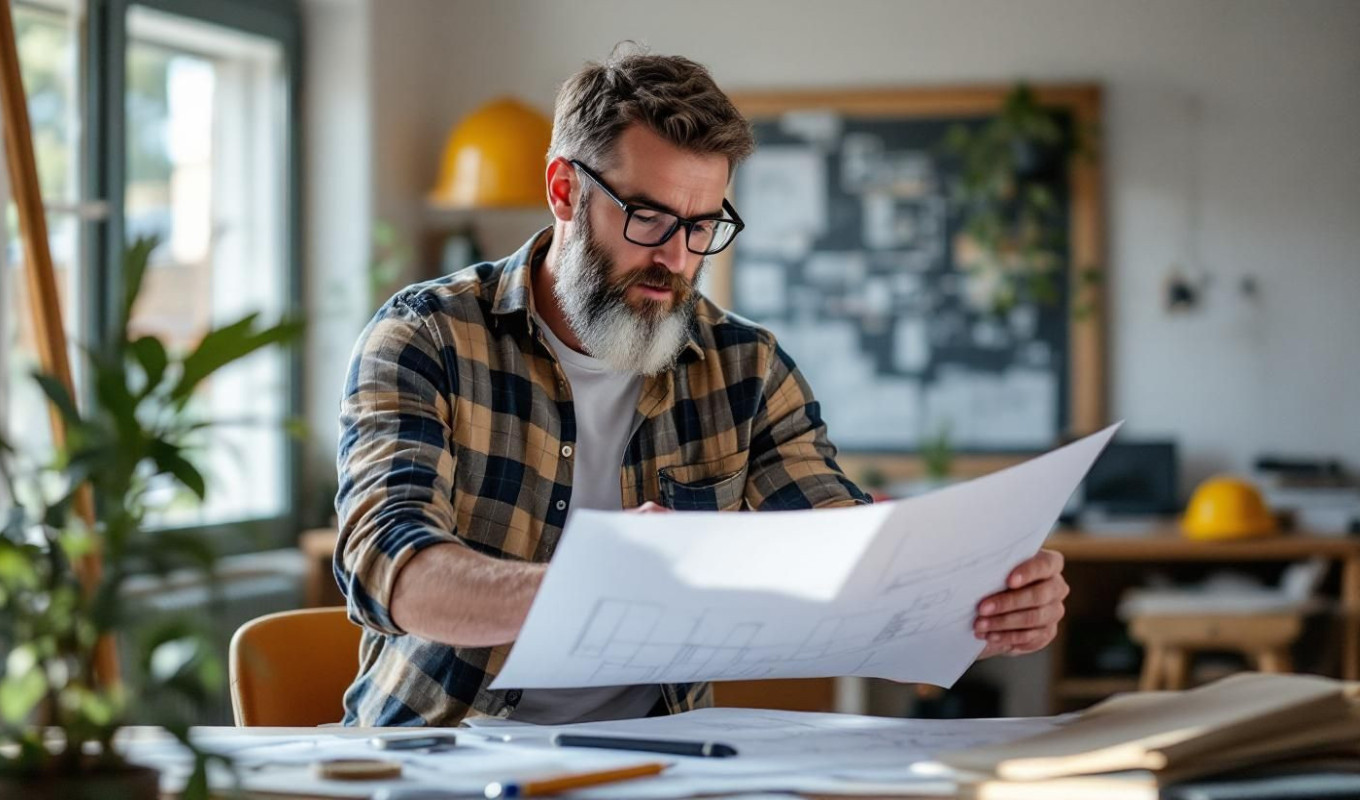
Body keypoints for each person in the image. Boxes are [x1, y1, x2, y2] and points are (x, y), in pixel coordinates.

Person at [334, 49, 1069, 728]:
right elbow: (387, 566)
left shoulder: (744, 369)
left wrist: (980, 601)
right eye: (648, 216)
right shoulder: (426, 338)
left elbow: (843, 560)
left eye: (703, 224)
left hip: (658, 765)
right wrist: (594, 585)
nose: (676, 259)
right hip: (437, 755)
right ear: (563, 190)